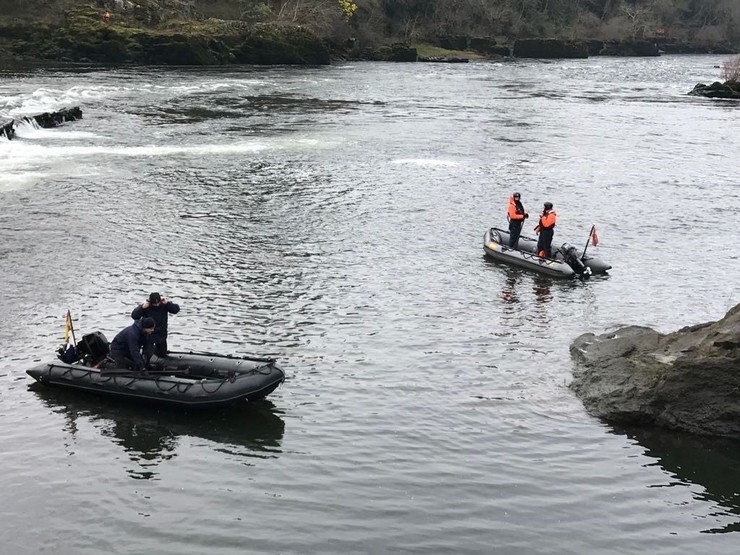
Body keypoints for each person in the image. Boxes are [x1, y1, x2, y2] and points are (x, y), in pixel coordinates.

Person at [131, 292, 180, 357]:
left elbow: (176, 310)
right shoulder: (146, 306)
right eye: (155, 303)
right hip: (149, 335)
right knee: (147, 354)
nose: (157, 305)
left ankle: (157, 355)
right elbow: (134, 316)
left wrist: (168, 303)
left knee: (163, 354)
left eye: (158, 303)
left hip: (161, 334)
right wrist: (142, 307)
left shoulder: (164, 305)